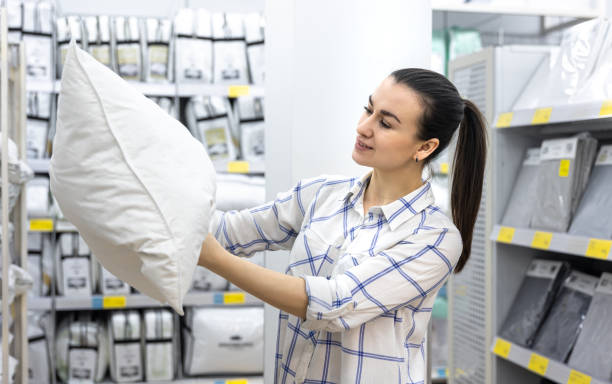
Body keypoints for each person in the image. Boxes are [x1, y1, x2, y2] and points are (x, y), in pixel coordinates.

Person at [198, 68, 487, 384]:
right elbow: (227, 232)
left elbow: (335, 303)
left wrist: (215, 260)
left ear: (424, 148)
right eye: (368, 109)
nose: (363, 127)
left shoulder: (435, 239)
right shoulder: (323, 194)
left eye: (385, 123)